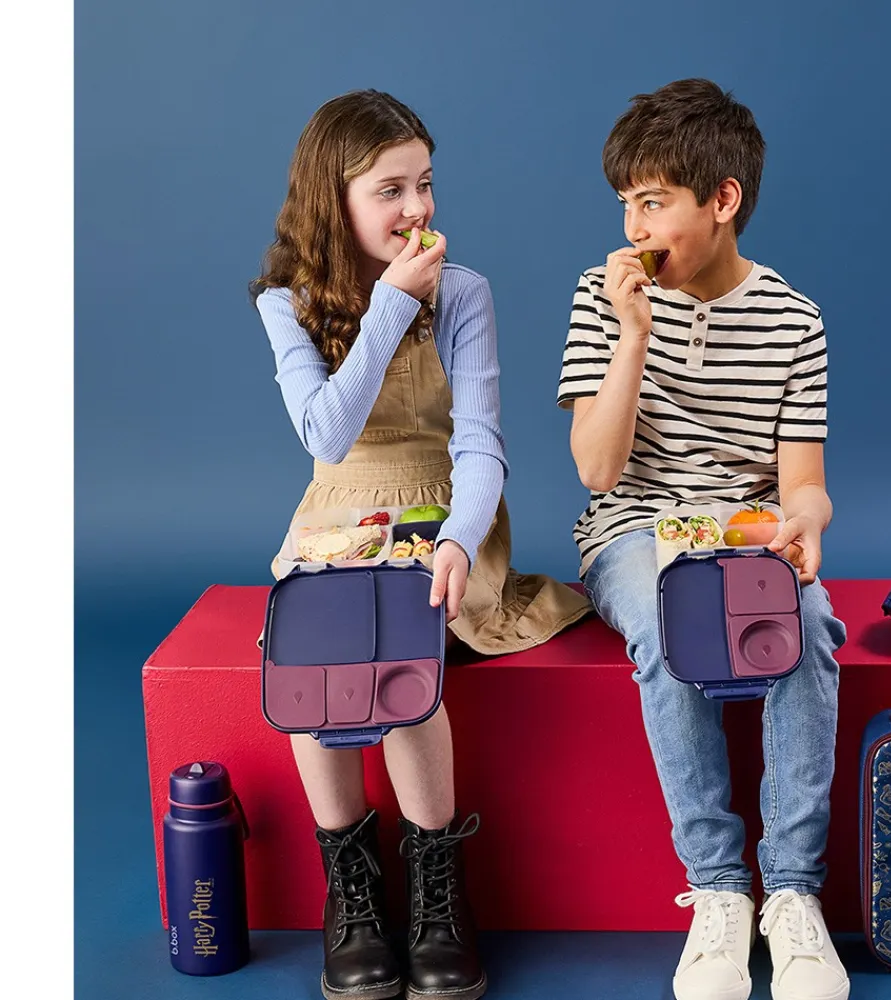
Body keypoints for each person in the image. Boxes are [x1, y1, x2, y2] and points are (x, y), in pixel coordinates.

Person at [252, 89, 591, 1000]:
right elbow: (326, 435)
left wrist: (458, 540)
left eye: (425, 184)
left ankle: (439, 889)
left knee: (400, 636)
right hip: (339, 509)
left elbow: (480, 443)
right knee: (317, 644)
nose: (417, 208)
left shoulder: (465, 291)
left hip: (444, 508)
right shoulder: (285, 303)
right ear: (335, 200)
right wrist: (389, 308)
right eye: (390, 190)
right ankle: (352, 890)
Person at [557, 79, 850, 1000]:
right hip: (632, 528)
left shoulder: (795, 320)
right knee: (670, 620)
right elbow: (596, 470)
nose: (634, 227)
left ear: (722, 199)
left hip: (746, 531)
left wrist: (806, 521)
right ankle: (720, 889)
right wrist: (632, 337)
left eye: (653, 203)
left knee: (811, 626)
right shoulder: (601, 296)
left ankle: (792, 893)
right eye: (626, 204)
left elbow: (803, 483)